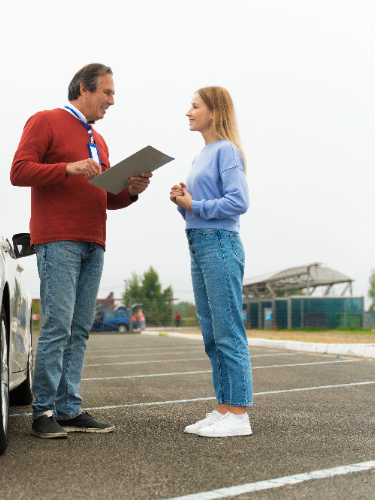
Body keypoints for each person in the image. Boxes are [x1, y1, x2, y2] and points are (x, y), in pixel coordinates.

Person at [11, 63, 153, 439]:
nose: (111, 101)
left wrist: (133, 189)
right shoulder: (45, 121)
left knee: (79, 328)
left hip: (94, 240)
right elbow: (19, 171)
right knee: (58, 325)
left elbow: (109, 198)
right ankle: (42, 411)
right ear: (83, 89)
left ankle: (68, 408)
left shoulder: (99, 140)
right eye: (107, 93)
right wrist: (68, 167)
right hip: (58, 238)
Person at [170, 86, 252, 438]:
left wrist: (195, 206)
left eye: (194, 106)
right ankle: (223, 408)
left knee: (228, 331)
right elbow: (197, 206)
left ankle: (239, 415)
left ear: (214, 112)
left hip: (220, 243)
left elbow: (238, 201)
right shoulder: (202, 154)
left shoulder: (227, 151)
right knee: (211, 334)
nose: (188, 112)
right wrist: (181, 200)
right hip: (199, 243)